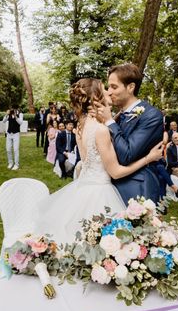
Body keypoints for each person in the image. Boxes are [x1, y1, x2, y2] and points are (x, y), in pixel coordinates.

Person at [33, 78, 163, 244]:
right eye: (104, 89)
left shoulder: (80, 126)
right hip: (101, 193)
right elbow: (115, 172)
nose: (109, 92)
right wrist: (148, 158)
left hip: (82, 189)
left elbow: (87, 160)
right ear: (95, 97)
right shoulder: (101, 130)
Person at [95, 63, 165, 204]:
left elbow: (127, 155)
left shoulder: (151, 115)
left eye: (114, 87)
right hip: (110, 185)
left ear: (131, 87)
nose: (109, 92)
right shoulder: (119, 116)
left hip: (136, 188)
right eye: (109, 87)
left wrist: (109, 121)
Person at [3, 106, 23, 170]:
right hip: (9, 134)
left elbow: (20, 122)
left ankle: (16, 164)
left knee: (15, 149)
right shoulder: (9, 114)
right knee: (8, 149)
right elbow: (4, 121)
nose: (13, 110)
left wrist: (16, 116)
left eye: (15, 108)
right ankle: (10, 162)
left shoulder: (20, 114)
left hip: (16, 134)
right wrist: (6, 114)